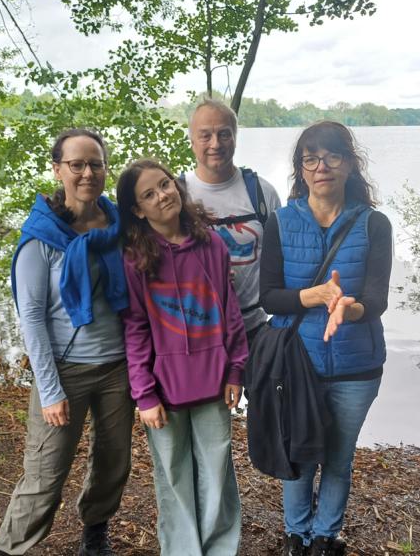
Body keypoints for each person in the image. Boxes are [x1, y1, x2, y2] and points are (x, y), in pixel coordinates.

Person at [0, 129, 133, 556]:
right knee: (45, 473)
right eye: (77, 164)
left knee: (113, 464)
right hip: (64, 370)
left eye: (96, 163)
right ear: (58, 170)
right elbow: (31, 317)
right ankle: (11, 546)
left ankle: (94, 532)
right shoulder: (42, 235)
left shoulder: (121, 226)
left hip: (117, 368)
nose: (88, 172)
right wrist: (50, 388)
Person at [260, 121, 392, 556]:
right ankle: (296, 535)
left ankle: (324, 537)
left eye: (333, 156)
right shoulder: (279, 222)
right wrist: (312, 296)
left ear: (350, 164)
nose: (322, 166)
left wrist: (349, 308)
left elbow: (376, 299)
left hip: (357, 366)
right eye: (311, 158)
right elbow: (269, 298)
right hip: (297, 362)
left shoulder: (374, 224)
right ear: (301, 168)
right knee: (298, 453)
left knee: (338, 456)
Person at [117, 159, 248, 555]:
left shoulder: (212, 244)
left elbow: (230, 311)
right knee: (173, 476)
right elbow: (136, 328)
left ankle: (220, 548)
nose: (163, 195)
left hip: (213, 382)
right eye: (149, 194)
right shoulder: (136, 259)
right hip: (164, 389)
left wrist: (235, 370)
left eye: (165, 184)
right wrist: (144, 393)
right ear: (138, 210)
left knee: (216, 470)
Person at [182, 98, 281, 344]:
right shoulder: (176, 195)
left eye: (224, 134)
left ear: (235, 138)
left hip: (256, 329)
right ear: (192, 141)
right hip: (199, 333)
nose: (215, 144)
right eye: (205, 136)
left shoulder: (261, 192)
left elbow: (282, 260)